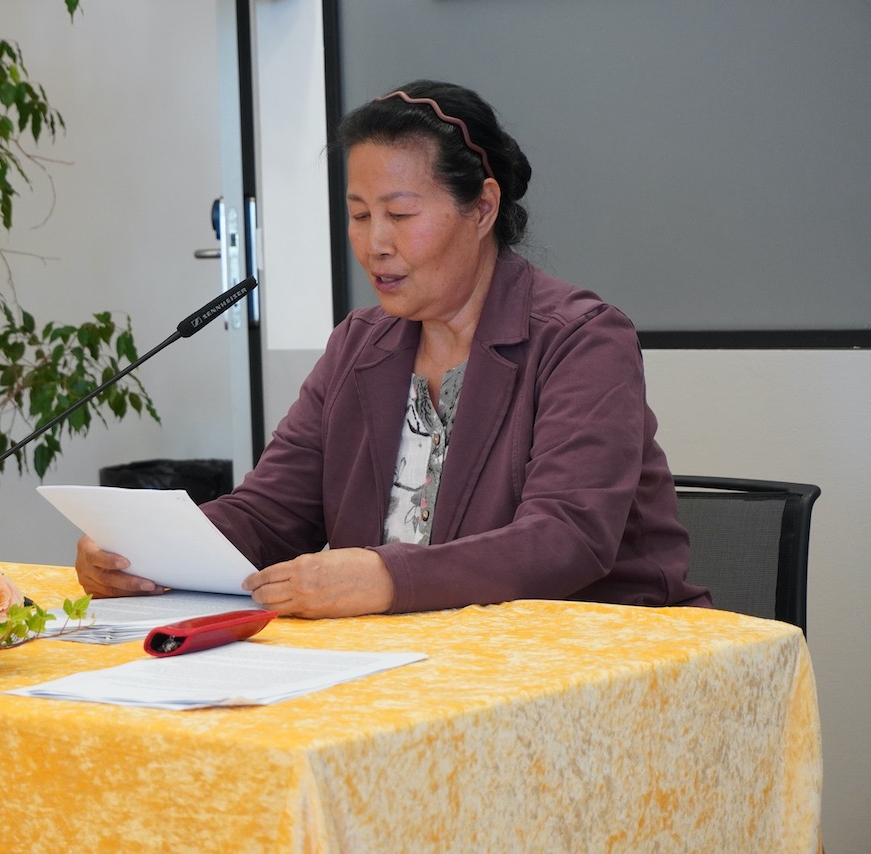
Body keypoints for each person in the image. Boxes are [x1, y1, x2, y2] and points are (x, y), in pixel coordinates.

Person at [75, 79, 711, 617]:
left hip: (604, 661)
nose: (375, 243)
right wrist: (146, 550)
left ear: (483, 208)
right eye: (359, 215)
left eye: (401, 215)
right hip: (414, 665)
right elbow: (270, 513)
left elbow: (565, 539)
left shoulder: (580, 339)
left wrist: (387, 578)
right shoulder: (359, 344)